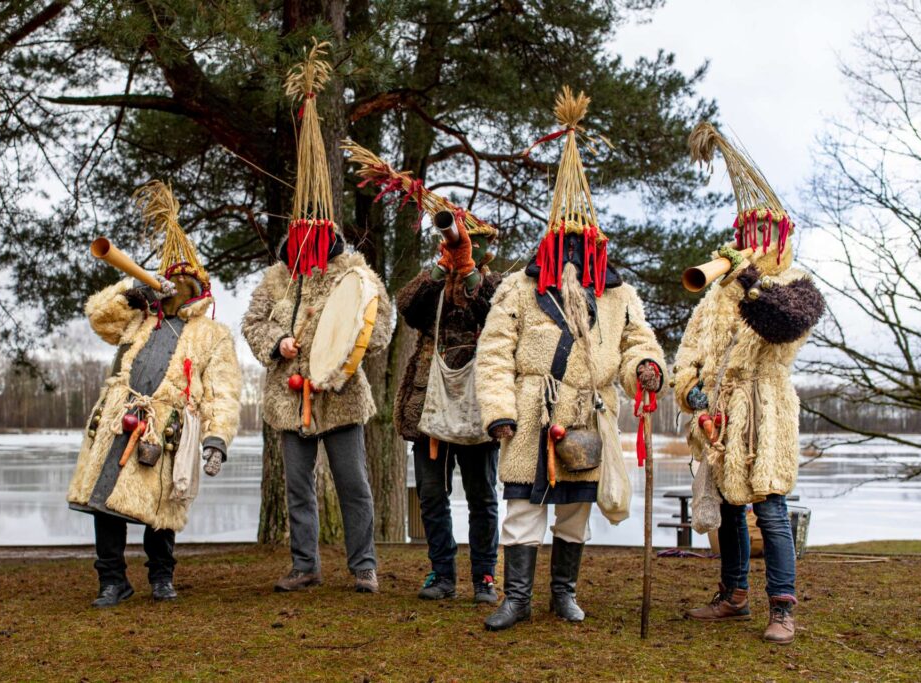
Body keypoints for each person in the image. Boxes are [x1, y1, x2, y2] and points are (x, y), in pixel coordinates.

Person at [475, 88, 666, 631]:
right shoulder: (519, 286)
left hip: (588, 412)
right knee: (521, 510)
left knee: (576, 511)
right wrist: (498, 410)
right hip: (531, 409)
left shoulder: (616, 292)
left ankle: (563, 593)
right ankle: (516, 598)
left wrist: (645, 370)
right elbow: (493, 352)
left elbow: (639, 344)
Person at [241, 41, 391, 594]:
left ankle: (364, 566)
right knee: (298, 489)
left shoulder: (353, 273)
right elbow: (252, 324)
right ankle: (304, 566)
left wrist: (347, 348)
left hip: (341, 395)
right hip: (288, 395)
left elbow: (379, 328)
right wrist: (278, 341)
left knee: (354, 484)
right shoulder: (277, 278)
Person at [674, 122, 825, 644]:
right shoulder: (714, 296)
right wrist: (691, 390)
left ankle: (782, 606)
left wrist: (750, 286)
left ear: (778, 239)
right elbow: (689, 354)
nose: (753, 245)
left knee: (771, 505)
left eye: (762, 237)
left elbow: (783, 326)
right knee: (730, 508)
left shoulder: (799, 287)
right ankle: (733, 594)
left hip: (766, 407)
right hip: (722, 413)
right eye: (748, 237)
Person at [67, 180, 242, 607]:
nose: (176, 289)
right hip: (119, 417)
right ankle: (111, 580)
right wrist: (130, 293)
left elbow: (224, 391)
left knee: (163, 503)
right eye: (171, 283)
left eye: (185, 284)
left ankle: (162, 577)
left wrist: (216, 439)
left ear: (200, 290)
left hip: (168, 427)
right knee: (105, 499)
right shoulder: (138, 318)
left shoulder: (212, 334)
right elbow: (98, 317)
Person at [395, 210, 502, 603]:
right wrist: (442, 268)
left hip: (477, 405)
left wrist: (469, 270)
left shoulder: (496, 285)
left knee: (482, 497)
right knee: (431, 494)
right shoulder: (435, 284)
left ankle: (485, 577)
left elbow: (492, 315)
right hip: (430, 405)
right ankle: (442, 573)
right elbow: (407, 307)